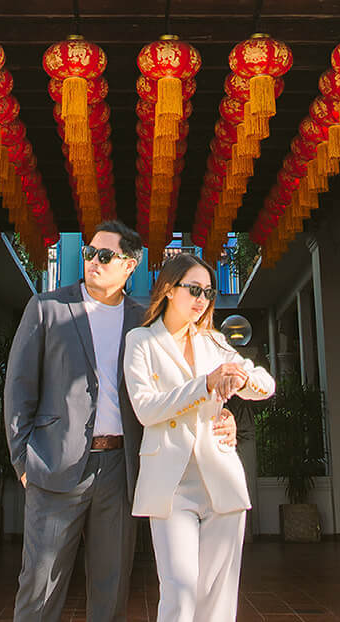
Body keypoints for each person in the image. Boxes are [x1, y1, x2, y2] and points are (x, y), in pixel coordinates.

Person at [5, 222, 239, 622]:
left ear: (130, 265)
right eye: (90, 252)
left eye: (105, 255)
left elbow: (183, 378)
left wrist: (224, 412)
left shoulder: (146, 320)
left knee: (111, 589)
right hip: (54, 465)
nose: (94, 261)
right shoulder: (47, 307)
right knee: (39, 586)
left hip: (120, 469)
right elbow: (18, 387)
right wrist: (23, 462)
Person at [123, 250, 275, 622]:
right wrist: (205, 385)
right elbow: (147, 409)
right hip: (170, 482)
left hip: (219, 474)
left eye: (208, 292)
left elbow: (266, 386)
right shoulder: (141, 341)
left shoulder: (214, 343)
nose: (202, 300)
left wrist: (241, 379)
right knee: (179, 587)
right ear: (169, 289)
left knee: (219, 596)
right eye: (194, 289)